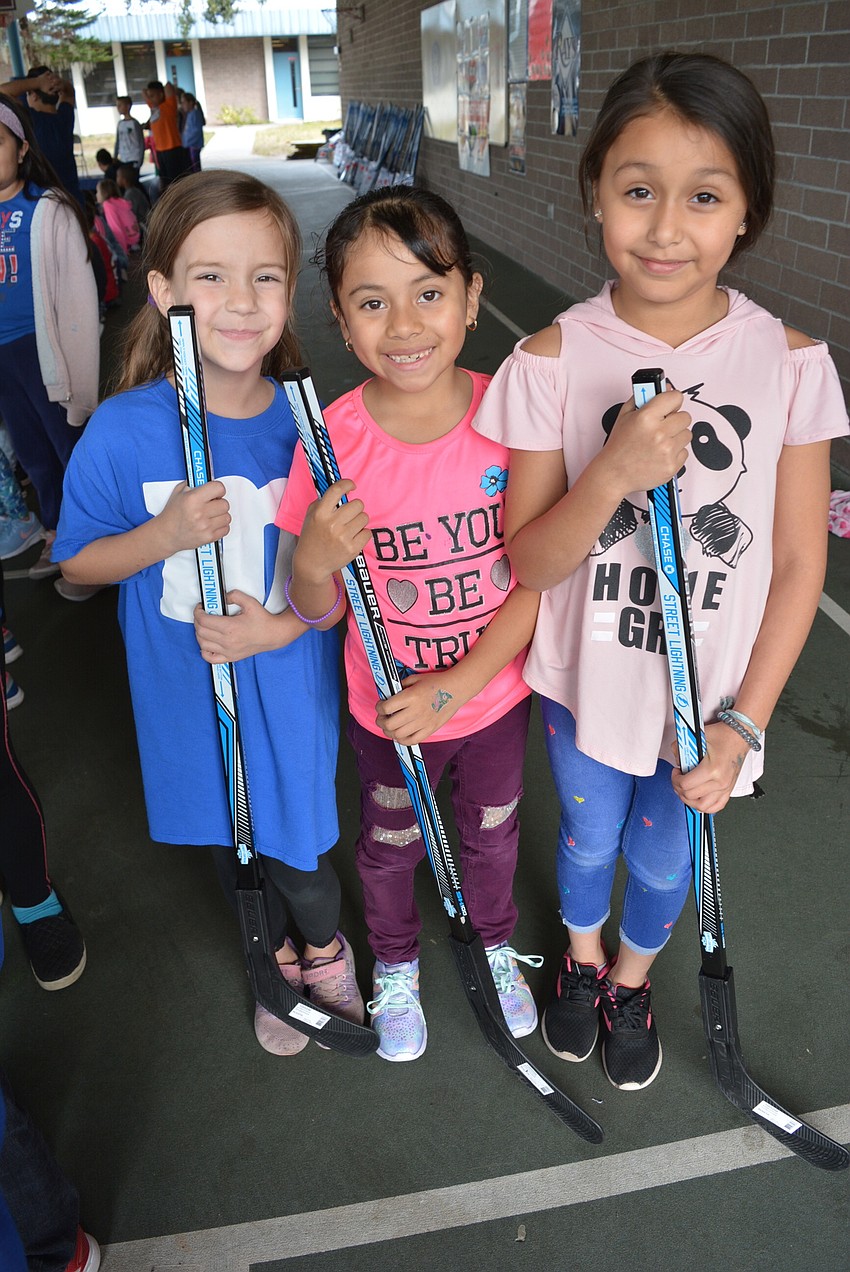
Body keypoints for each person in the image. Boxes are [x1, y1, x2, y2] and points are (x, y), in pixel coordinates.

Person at [473, 51, 850, 1092]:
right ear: (596, 191)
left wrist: (744, 725)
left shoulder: (789, 364)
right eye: (637, 191)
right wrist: (613, 478)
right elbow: (528, 559)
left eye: (703, 197)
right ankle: (583, 960)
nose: (665, 228)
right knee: (588, 846)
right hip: (587, 685)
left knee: (660, 860)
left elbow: (798, 562)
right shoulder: (549, 356)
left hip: (712, 708)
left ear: (747, 215)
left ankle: (634, 975)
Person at [52, 170, 365, 1056]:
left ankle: (324, 949)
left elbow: (349, 581)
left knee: (298, 851)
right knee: (235, 848)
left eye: (264, 276)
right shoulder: (121, 430)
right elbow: (78, 561)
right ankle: (272, 969)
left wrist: (281, 626)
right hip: (186, 691)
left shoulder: (314, 424)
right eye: (211, 276)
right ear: (162, 291)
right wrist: (161, 534)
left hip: (285, 677)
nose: (240, 300)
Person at [277, 187, 541, 1063]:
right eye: (372, 302)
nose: (404, 324)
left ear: (471, 296)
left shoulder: (516, 419)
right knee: (389, 848)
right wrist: (314, 553)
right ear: (341, 323)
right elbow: (313, 606)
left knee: (491, 836)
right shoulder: (330, 442)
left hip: (492, 699)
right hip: (384, 717)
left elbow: (537, 582)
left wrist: (455, 687)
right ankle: (394, 964)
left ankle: (495, 944)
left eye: (428, 292)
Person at [0, 93, 99, 587]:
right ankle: (60, 536)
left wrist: (81, 383)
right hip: (3, 360)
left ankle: (96, 547)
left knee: (70, 449)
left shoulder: (47, 209)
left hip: (43, 355)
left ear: (20, 148)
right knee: (33, 455)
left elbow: (80, 308)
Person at [0, 68, 79, 201]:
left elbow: (3, 93)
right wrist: (59, 83)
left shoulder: (31, 119)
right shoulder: (65, 117)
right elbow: (70, 93)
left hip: (43, 201)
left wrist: (38, 82)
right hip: (72, 197)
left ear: (34, 95)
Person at [143, 80, 191, 190]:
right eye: (149, 96)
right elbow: (143, 92)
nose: (150, 99)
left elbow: (168, 86)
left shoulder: (169, 105)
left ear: (161, 94)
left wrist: (161, 91)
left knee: (176, 180)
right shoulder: (153, 108)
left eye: (153, 96)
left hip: (173, 148)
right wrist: (151, 94)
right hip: (160, 151)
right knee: (165, 180)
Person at [96, 177, 140, 257]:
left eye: (97, 192)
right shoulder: (121, 201)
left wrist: (122, 252)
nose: (96, 194)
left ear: (104, 193)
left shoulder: (108, 205)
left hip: (127, 245)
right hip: (135, 240)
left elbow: (116, 229)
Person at [114, 95, 145, 171]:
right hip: (123, 158)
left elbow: (141, 142)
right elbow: (118, 141)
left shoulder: (134, 123)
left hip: (134, 158)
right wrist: (115, 156)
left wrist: (140, 160)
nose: (118, 108)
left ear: (128, 106)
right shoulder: (120, 124)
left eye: (120, 105)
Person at [116, 162, 150, 229]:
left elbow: (130, 215)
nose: (116, 178)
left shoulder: (130, 194)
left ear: (124, 180)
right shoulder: (134, 190)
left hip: (142, 226)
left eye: (118, 176)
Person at [180, 92, 205, 173]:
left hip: (194, 145)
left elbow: (196, 131)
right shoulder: (191, 114)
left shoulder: (195, 114)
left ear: (190, 103)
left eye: (184, 102)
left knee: (195, 168)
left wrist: (186, 142)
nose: (182, 105)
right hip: (191, 145)